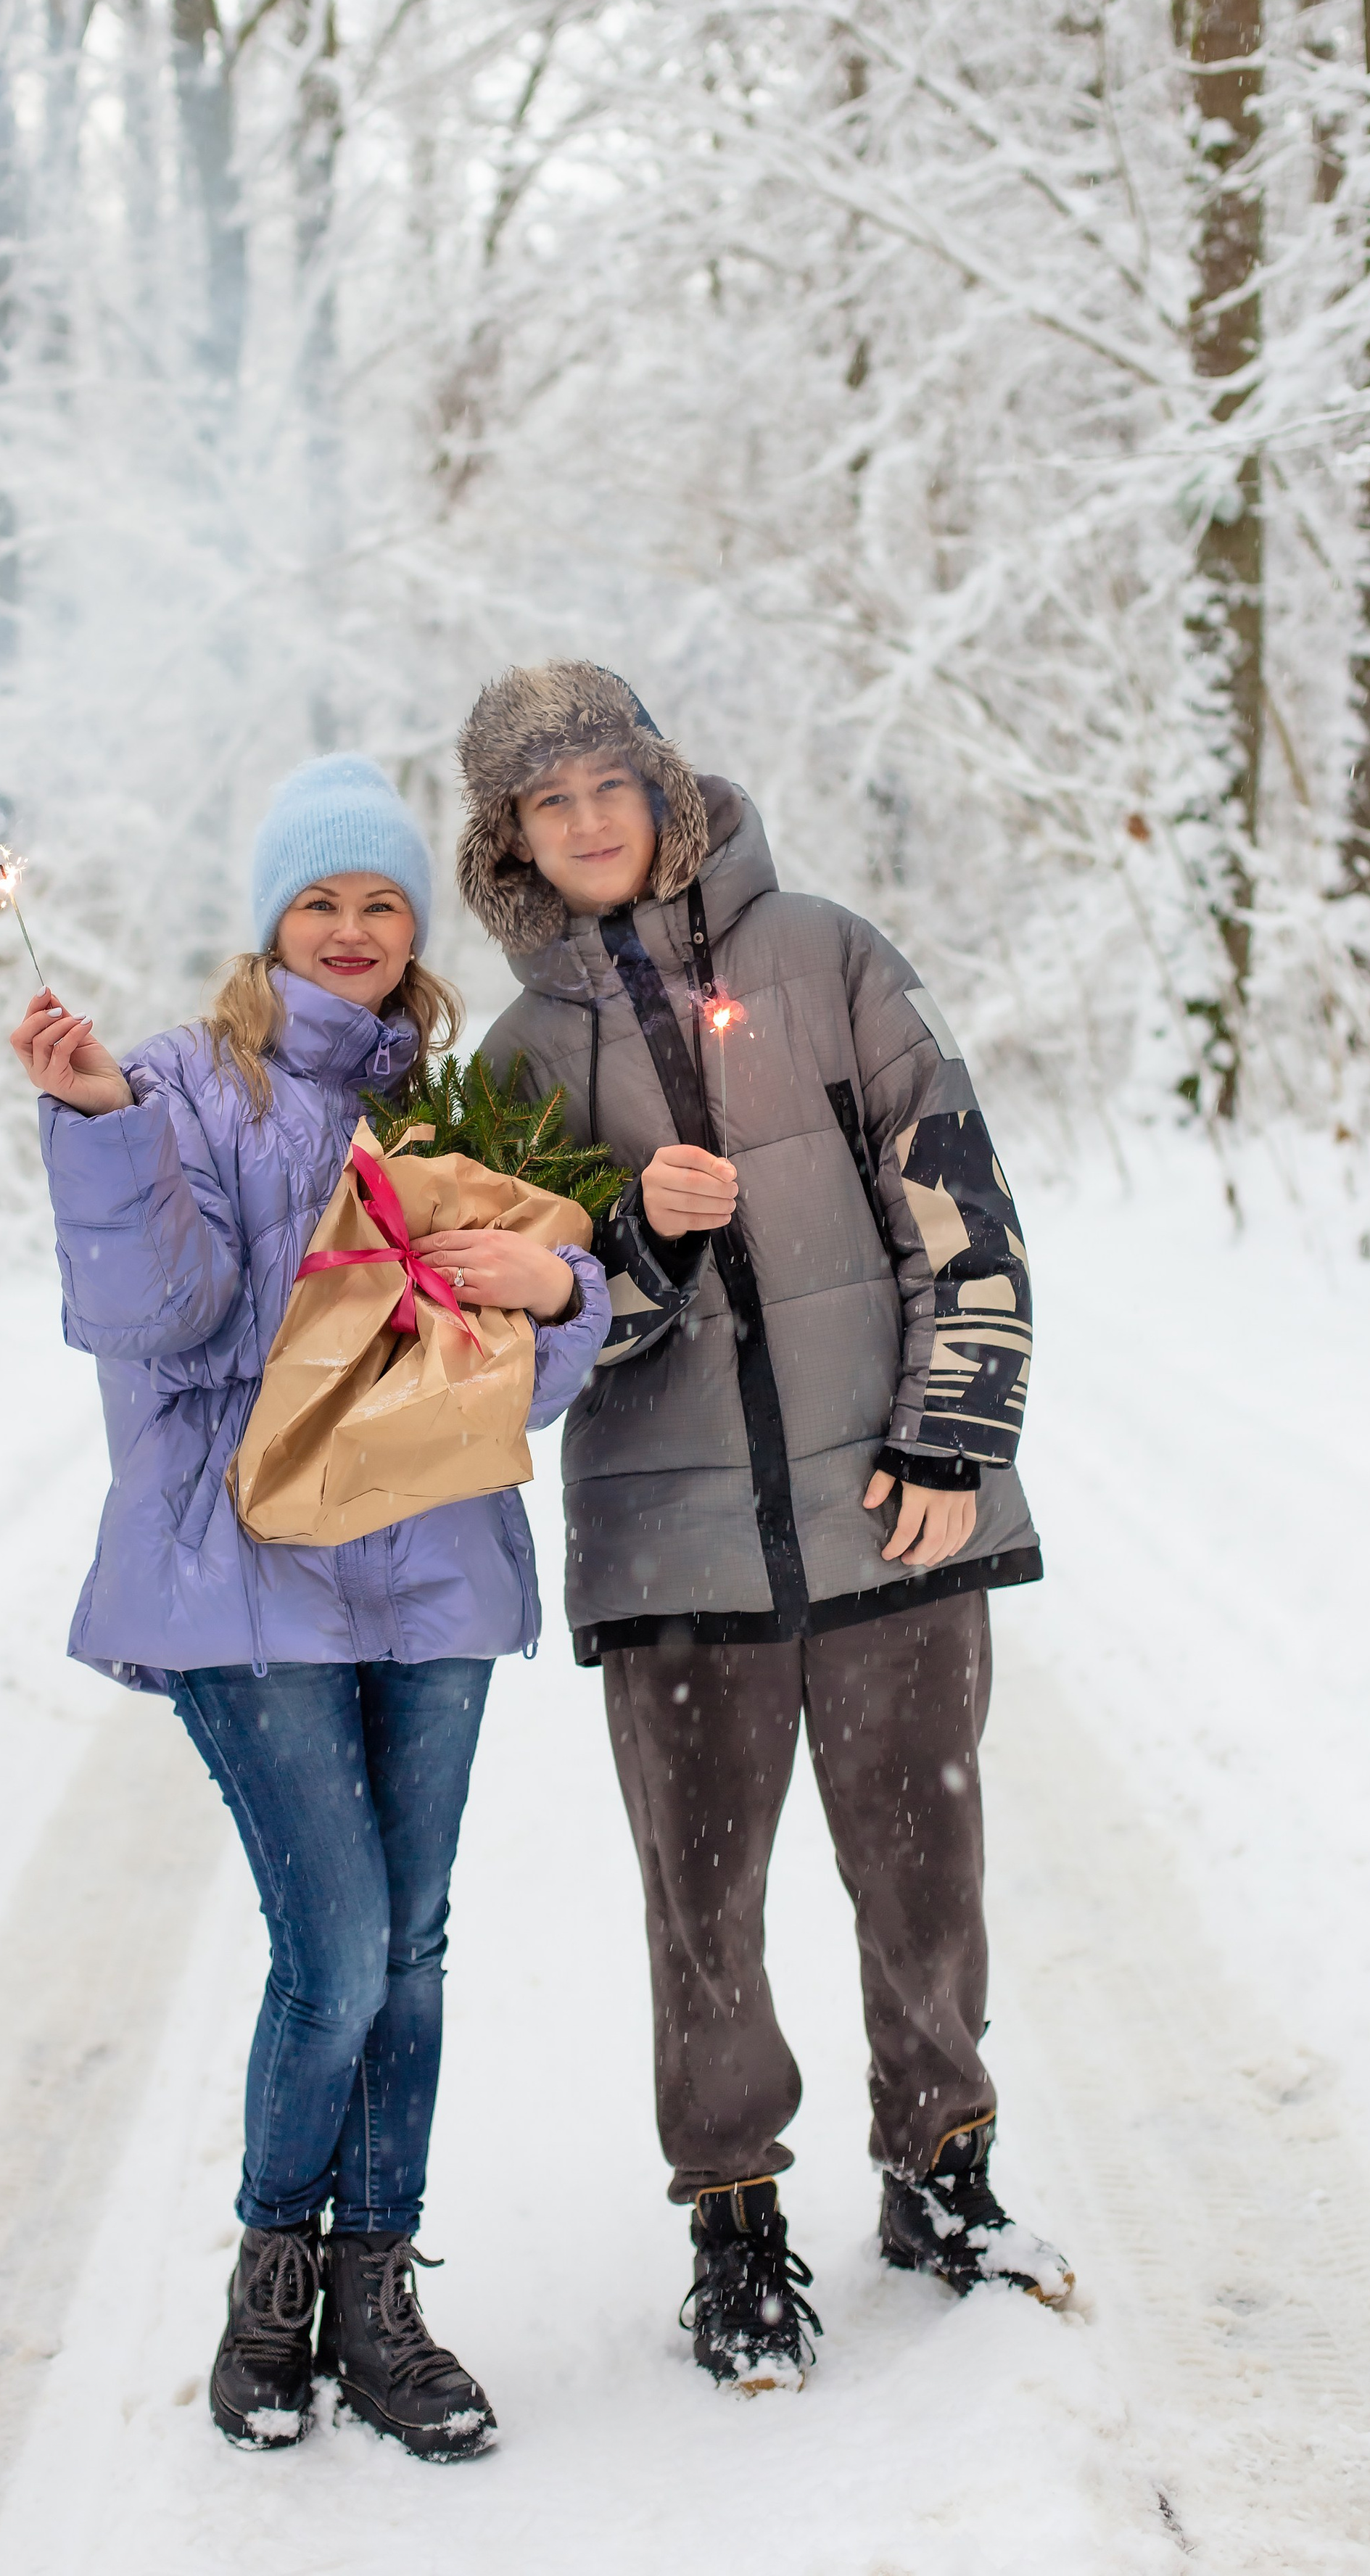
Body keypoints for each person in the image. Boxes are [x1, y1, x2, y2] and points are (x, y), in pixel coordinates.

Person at [455, 662, 1070, 2393]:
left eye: (609, 782)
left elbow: (959, 1198)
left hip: (889, 1516)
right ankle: (732, 2228)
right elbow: (521, 1348)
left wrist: (952, 1437)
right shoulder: (518, 1063)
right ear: (510, 841)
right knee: (701, 1909)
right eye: (548, 802)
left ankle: (940, 2177)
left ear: (661, 786)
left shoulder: (825, 957)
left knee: (923, 1873)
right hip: (673, 1555)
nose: (588, 820)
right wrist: (633, 1244)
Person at [10, 753, 608, 2461]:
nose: (350, 929)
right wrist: (102, 1128)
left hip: (428, 1570)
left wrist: (559, 1285)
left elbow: (516, 1371)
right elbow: (159, 1319)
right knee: (336, 1951)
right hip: (241, 1571)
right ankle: (270, 2288)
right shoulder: (177, 1082)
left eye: (380, 904)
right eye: (319, 900)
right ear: (270, 918)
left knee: (408, 1952)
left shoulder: (453, 1104)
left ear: (413, 927)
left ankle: (377, 2300)